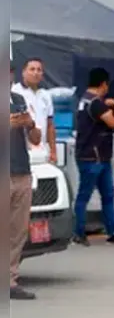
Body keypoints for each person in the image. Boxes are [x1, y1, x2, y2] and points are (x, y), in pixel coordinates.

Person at [73, 67, 114, 246]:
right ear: (104, 84)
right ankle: (79, 232)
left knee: (105, 195)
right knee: (88, 195)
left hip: (95, 156)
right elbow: (113, 122)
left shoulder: (84, 100)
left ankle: (110, 231)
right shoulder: (96, 103)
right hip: (94, 156)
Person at [10, 77, 42, 300]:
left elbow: (36, 138)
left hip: (21, 171)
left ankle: (10, 280)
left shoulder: (18, 99)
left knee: (17, 231)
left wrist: (30, 123)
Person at [11, 58, 57, 164]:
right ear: (23, 72)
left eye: (39, 70)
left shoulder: (45, 95)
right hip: (20, 153)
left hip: (42, 152)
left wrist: (53, 151)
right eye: (32, 69)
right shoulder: (15, 92)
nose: (35, 73)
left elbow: (50, 125)